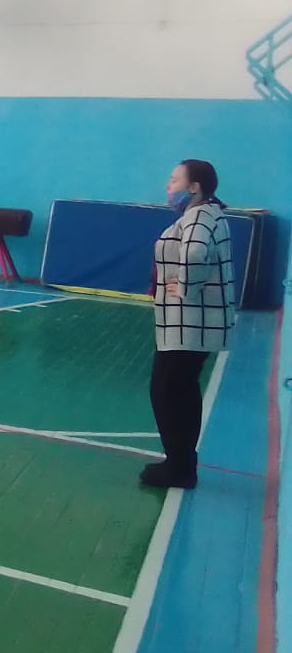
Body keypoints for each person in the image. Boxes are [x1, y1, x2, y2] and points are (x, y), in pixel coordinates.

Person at [143, 159, 236, 489]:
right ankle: (181, 463)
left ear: (194, 187)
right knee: (179, 389)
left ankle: (179, 466)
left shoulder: (198, 216)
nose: (169, 186)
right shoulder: (207, 213)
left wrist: (183, 286)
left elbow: (195, 255)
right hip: (193, 322)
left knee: (168, 391)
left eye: (175, 180)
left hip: (191, 321)